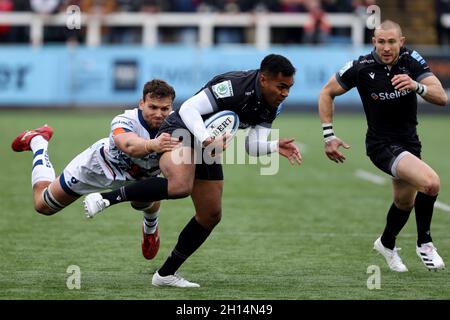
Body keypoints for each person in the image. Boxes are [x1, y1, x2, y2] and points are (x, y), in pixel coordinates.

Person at [83, 54, 302, 287]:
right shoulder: (234, 86)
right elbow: (188, 109)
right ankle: (104, 199)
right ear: (264, 80)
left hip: (207, 142)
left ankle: (165, 275)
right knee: (180, 186)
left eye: (289, 87)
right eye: (281, 87)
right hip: (181, 128)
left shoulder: (273, 105)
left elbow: (251, 146)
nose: (285, 93)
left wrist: (273, 146)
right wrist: (207, 139)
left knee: (211, 214)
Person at [318, 20, 448, 272]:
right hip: (381, 145)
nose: (386, 47)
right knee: (431, 183)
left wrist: (416, 85)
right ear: (373, 43)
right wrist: (328, 136)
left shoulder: (412, 61)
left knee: (404, 203)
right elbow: (326, 92)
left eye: (391, 42)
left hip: (409, 142)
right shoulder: (361, 67)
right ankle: (425, 243)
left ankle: (386, 243)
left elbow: (441, 97)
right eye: (381, 42)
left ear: (402, 42)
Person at [11, 79, 179, 260]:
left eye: (164, 109)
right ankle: (39, 141)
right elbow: (129, 145)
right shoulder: (125, 120)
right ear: (141, 104)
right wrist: (153, 144)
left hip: (140, 177)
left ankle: (151, 229)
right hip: (96, 168)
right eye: (152, 107)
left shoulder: (177, 124)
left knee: (145, 198)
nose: (159, 114)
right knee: (43, 205)